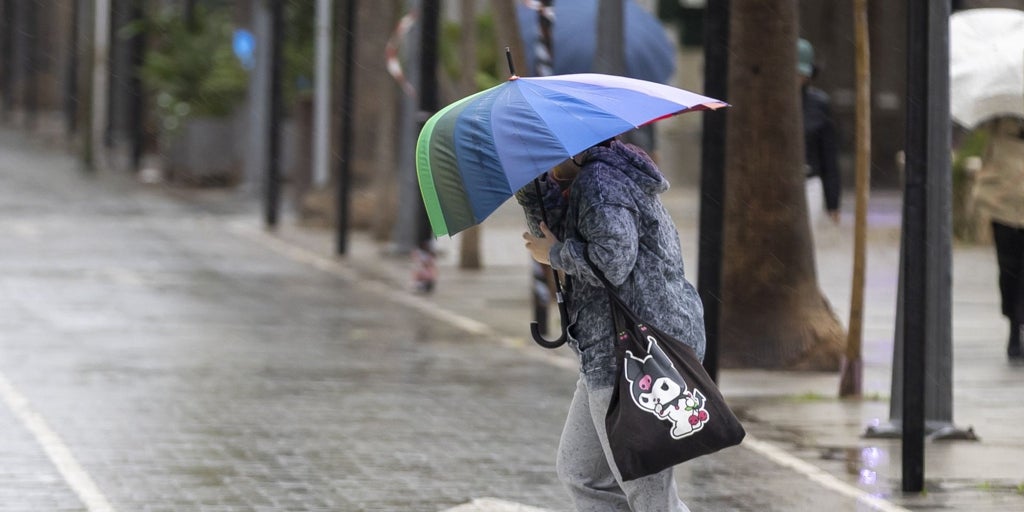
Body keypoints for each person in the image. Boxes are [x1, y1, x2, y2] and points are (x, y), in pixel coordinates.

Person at [516, 138, 705, 511]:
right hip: (608, 348)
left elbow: (613, 259)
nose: (546, 163)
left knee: (644, 486)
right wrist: (531, 188)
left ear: (575, 145)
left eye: (549, 152)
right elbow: (567, 232)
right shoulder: (593, 177)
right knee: (583, 474)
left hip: (633, 350)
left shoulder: (601, 182)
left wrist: (553, 254)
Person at [972, 116, 1024, 359]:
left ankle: (1019, 323)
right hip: (1003, 208)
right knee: (1009, 270)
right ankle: (1014, 324)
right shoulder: (999, 120)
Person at [798, 38, 841, 225]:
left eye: (800, 73)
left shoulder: (819, 105)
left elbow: (829, 156)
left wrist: (833, 202)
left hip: (809, 181)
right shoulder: (768, 104)